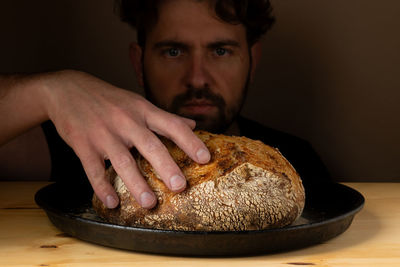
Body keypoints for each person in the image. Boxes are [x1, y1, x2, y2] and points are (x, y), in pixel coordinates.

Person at [0, 0, 331, 210]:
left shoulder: (294, 165)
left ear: (252, 62)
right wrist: (50, 90)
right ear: (139, 62)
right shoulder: (76, 143)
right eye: (174, 52)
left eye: (220, 51)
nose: (197, 78)